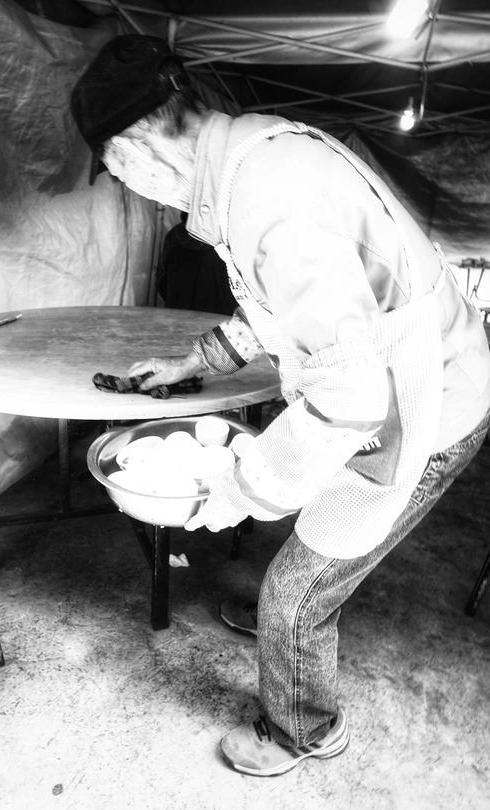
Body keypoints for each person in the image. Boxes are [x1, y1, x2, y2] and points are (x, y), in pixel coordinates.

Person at [70, 35, 490, 777]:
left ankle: (303, 727)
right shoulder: (252, 152)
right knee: (300, 531)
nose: (127, 187)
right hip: (400, 382)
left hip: (429, 404)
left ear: (134, 147)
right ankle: (284, 641)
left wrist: (235, 491)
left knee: (298, 590)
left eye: (114, 170)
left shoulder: (269, 197)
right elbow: (278, 303)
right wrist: (193, 362)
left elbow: (349, 398)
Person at [158, 212, 237, 315]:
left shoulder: (173, 236)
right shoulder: (228, 238)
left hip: (179, 313)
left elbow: (161, 279)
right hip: (219, 316)